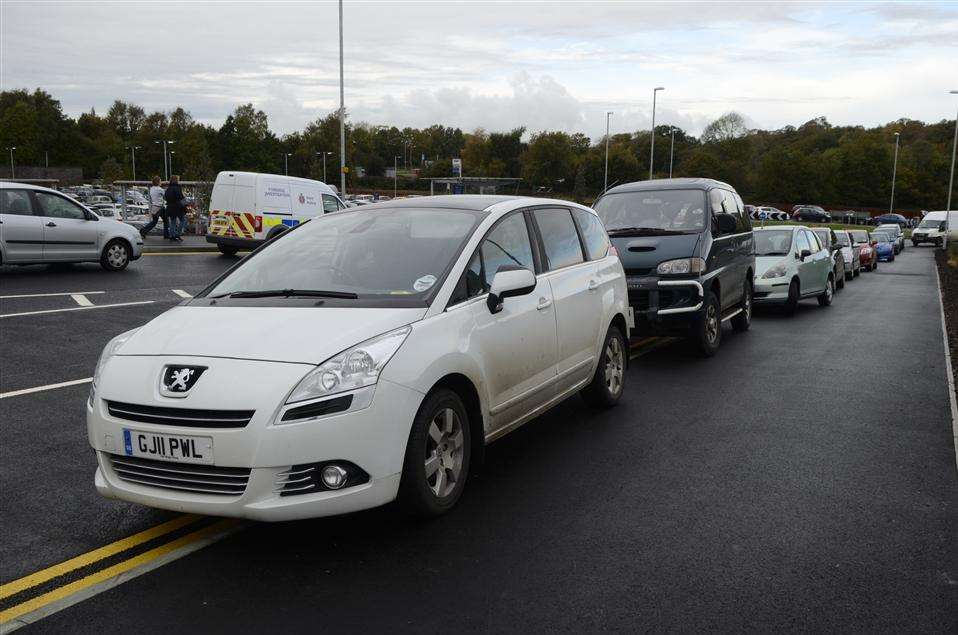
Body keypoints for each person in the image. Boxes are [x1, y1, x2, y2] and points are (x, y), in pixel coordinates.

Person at [164, 175, 186, 242]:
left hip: (170, 207)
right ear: (176, 180)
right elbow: (181, 198)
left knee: (172, 222)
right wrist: (185, 205)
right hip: (178, 207)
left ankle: (172, 236)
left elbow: (165, 197)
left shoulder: (168, 188)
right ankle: (178, 234)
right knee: (183, 220)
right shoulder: (178, 188)